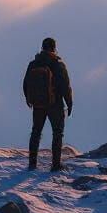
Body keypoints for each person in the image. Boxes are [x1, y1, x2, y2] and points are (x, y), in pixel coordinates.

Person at [23, 37, 73, 171]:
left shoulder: (33, 64)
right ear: (54, 48)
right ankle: (55, 165)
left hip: (38, 104)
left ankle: (32, 164)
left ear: (42, 47)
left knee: (36, 132)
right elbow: (65, 86)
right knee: (57, 133)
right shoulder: (59, 65)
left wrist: (29, 99)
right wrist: (69, 103)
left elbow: (25, 84)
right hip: (55, 104)